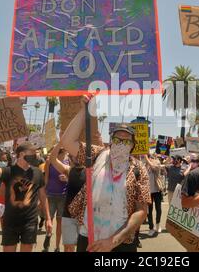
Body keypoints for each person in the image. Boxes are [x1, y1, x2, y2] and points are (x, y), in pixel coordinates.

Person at [62, 95, 151, 252]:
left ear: (132, 146)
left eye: (126, 141)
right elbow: (67, 142)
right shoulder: (97, 155)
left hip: (121, 243)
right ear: (111, 141)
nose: (121, 144)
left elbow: (141, 210)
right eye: (117, 140)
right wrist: (84, 112)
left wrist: (113, 241)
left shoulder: (138, 169)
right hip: (89, 237)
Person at [0, 140, 52, 252]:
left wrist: (48, 218)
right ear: (22, 154)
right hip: (10, 221)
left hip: (30, 221)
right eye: (32, 153)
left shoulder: (37, 173)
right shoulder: (8, 171)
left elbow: (43, 196)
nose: (35, 156)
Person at [48, 142, 86, 252]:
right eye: (74, 154)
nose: (76, 157)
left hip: (84, 215)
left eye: (79, 154)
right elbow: (52, 158)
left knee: (83, 246)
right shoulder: (68, 170)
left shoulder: (91, 171)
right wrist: (61, 143)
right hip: (68, 214)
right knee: (68, 247)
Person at [42, 147, 68, 252]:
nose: (65, 154)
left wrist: (66, 179)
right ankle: (48, 235)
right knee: (49, 219)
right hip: (51, 195)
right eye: (63, 152)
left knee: (60, 222)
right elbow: (46, 177)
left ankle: (57, 247)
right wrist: (43, 193)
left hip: (63, 196)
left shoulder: (68, 161)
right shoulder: (49, 161)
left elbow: (71, 177)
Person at [144, 154, 164, 237]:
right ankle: (151, 227)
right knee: (149, 210)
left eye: (150, 157)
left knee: (158, 209)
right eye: (148, 157)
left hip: (157, 190)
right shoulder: (144, 164)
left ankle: (158, 224)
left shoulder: (156, 162)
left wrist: (147, 159)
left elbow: (154, 167)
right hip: (148, 191)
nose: (149, 158)